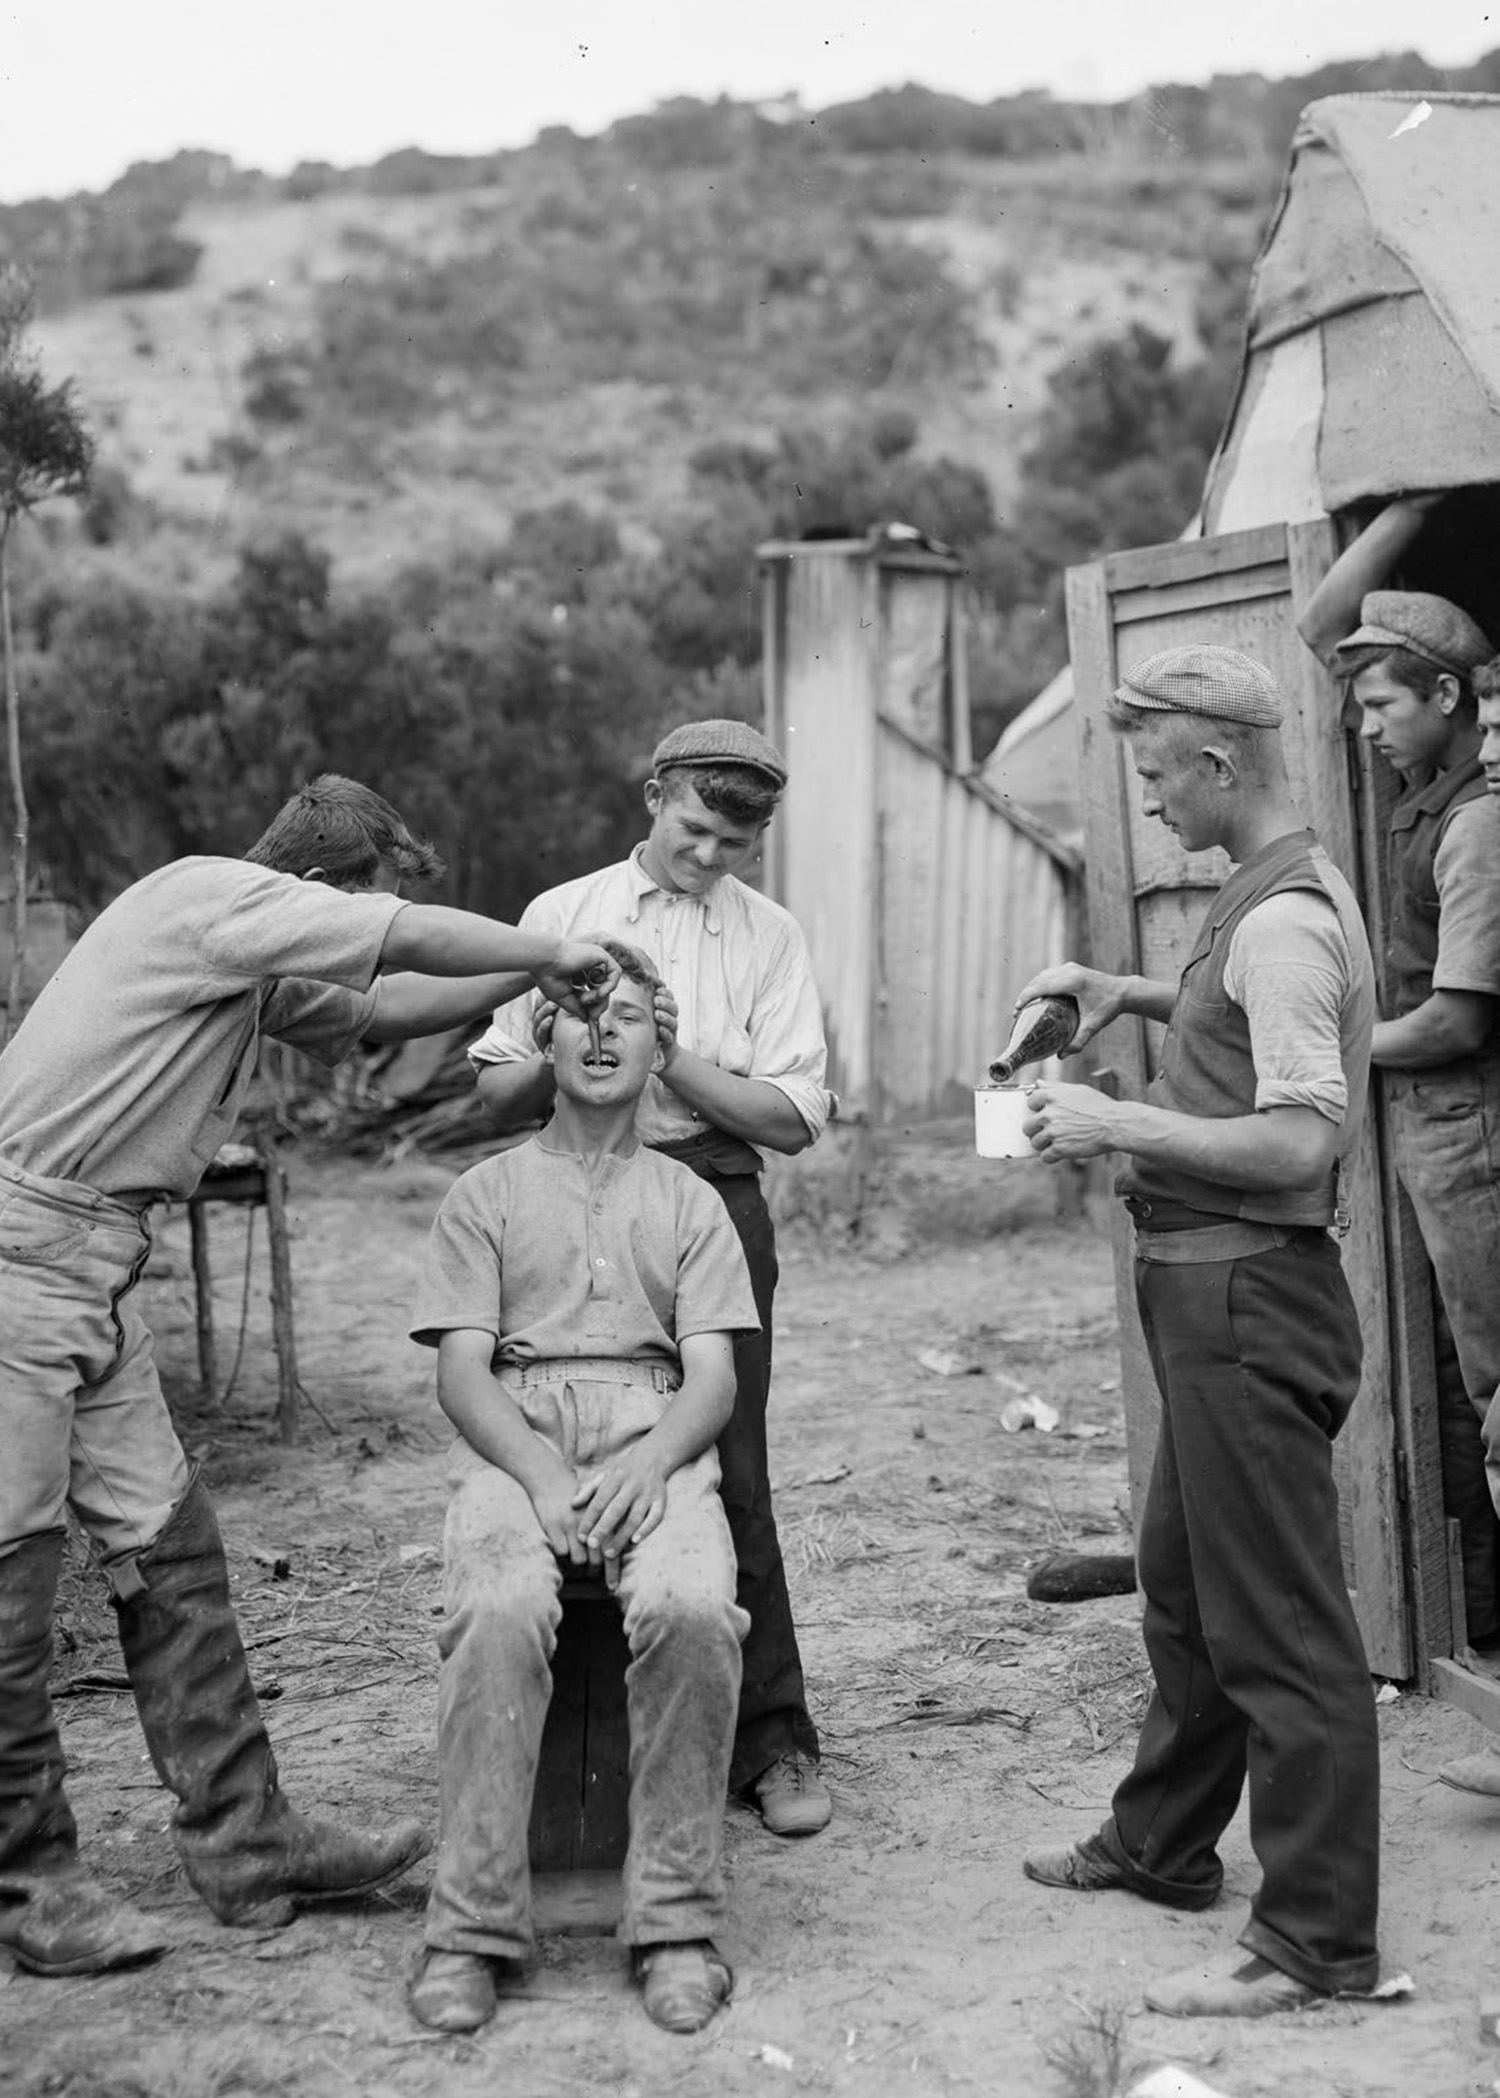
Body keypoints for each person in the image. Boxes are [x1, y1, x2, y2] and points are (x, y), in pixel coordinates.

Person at [0, 776, 620, 1979]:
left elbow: (385, 1006)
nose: (367, 929)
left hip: (94, 1271)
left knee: (170, 1550)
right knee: (10, 1585)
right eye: (370, 904)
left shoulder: (248, 969)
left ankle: (246, 1843)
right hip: (16, 1261)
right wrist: (557, 941)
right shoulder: (210, 899)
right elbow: (402, 944)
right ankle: (30, 1883)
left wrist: (528, 980)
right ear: (323, 890)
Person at [1012, 647, 1382, 2018]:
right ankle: (1166, 1843)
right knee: (1179, 1580)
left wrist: (1116, 1120)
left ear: (1221, 764)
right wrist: (1132, 992)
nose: (1154, 801)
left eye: (1161, 773)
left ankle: (1317, 1942)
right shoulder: (1279, 887)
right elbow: (1260, 1026)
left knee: (1281, 1625)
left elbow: (1298, 1138)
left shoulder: (1284, 920)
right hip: (1207, 1294)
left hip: (1247, 1291)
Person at [467, 720, 834, 1838]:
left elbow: (794, 1116)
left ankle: (771, 1742)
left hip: (710, 1199)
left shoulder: (768, 937)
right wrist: (558, 1044)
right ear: (651, 797)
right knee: (559, 1439)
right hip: (565, 1190)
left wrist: (670, 1055)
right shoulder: (559, 916)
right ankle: (581, 1742)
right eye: (695, 828)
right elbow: (488, 1094)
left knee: (730, 1461)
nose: (712, 857)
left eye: (736, 841)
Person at [406, 947, 755, 2036]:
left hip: (658, 1431)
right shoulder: (486, 1193)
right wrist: (546, 1475)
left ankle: (676, 1919)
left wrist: (650, 1465)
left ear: (663, 1047)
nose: (604, 1035)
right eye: (581, 1015)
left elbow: (715, 1377)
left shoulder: (692, 1199)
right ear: (545, 1039)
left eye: (633, 1018)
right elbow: (462, 1368)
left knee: (694, 1607)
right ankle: (468, 1927)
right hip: (521, 1434)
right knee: (502, 1603)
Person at [1298, 514, 1500, 1684]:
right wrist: (1406, 506)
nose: (1365, 731)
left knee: (1497, 1390)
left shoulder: (1477, 822)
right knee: (1467, 1388)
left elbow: (1460, 1019)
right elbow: (1324, 625)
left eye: (1383, 709)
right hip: (1434, 1124)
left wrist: (1330, 1043)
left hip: (1469, 1121)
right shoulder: (1429, 781)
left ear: (1445, 693)